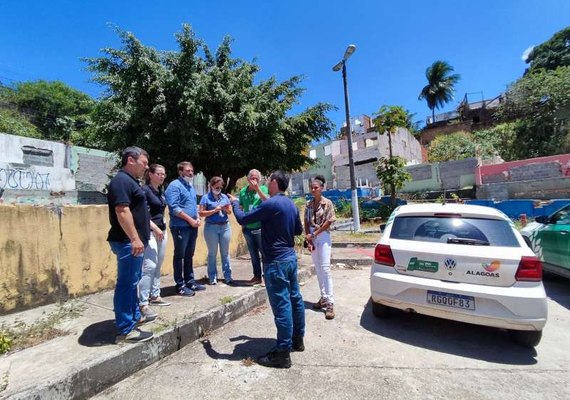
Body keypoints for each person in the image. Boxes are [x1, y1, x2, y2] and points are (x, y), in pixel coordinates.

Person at [229, 170, 305, 369]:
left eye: (268, 179)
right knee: (295, 298)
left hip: (276, 262)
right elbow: (298, 230)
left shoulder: (270, 204)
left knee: (282, 306)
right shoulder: (290, 203)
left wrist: (235, 203)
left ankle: (282, 353)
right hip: (289, 258)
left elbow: (243, 218)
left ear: (273, 183)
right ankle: (298, 340)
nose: (266, 181)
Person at [107, 146, 153, 344]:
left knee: (132, 281)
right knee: (126, 284)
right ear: (131, 160)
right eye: (144, 163)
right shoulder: (121, 181)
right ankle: (125, 329)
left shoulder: (130, 181)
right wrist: (135, 238)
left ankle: (133, 319)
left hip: (133, 242)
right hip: (127, 242)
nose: (146, 167)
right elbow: (122, 211)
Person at [165, 161, 206, 296]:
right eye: (188, 171)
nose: (191, 173)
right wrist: (190, 220)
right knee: (180, 255)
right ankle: (180, 284)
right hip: (180, 226)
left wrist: (197, 218)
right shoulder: (174, 186)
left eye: (192, 170)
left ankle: (190, 281)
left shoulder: (190, 186)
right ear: (180, 172)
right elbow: (174, 208)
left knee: (189, 254)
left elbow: (193, 205)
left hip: (192, 226)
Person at [138, 164, 170, 322]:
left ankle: (155, 295)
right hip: (150, 232)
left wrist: (163, 227)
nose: (162, 176)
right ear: (150, 174)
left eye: (163, 174)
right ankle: (143, 302)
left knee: (158, 263)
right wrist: (155, 228)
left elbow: (161, 211)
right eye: (159, 173)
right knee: (149, 265)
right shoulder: (144, 190)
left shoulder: (160, 191)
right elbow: (143, 213)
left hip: (162, 231)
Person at [304, 175, 337, 320]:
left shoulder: (327, 203)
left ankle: (330, 302)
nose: (313, 189)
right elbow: (305, 221)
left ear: (321, 188)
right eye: (311, 187)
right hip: (312, 236)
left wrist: (315, 234)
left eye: (316, 187)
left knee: (325, 268)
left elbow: (329, 222)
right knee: (317, 268)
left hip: (322, 236)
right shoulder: (308, 204)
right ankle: (323, 297)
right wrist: (308, 237)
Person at [199, 176, 233, 285]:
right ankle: (212, 277)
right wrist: (214, 210)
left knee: (225, 253)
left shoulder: (224, 197)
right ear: (211, 186)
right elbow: (201, 213)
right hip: (211, 227)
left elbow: (230, 211)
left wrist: (226, 209)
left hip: (225, 226)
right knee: (212, 253)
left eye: (220, 187)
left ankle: (227, 276)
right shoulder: (205, 198)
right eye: (216, 186)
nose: (218, 188)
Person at [238, 169, 268, 285]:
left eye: (256, 178)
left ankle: (266, 277)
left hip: (260, 227)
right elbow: (240, 207)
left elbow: (267, 201)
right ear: (248, 179)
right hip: (248, 228)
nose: (254, 180)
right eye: (252, 178)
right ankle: (257, 276)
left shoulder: (263, 189)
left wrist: (257, 189)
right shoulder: (243, 192)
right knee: (253, 255)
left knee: (264, 254)